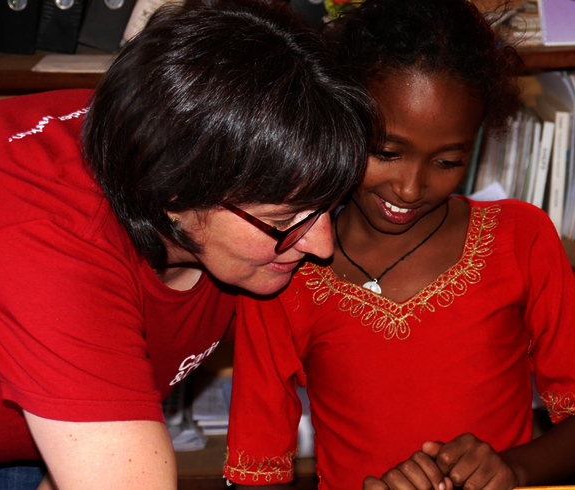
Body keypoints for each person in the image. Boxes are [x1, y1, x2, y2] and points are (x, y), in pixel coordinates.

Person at [0, 1, 378, 488]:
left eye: (332, 205)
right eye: (285, 220)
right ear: (171, 194)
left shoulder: (187, 141)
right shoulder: (55, 253)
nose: (322, 246)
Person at [223, 0, 575, 489]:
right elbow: (256, 471)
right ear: (340, 119)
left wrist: (512, 468)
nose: (410, 189)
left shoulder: (521, 240)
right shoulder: (281, 271)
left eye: (448, 161)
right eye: (386, 152)